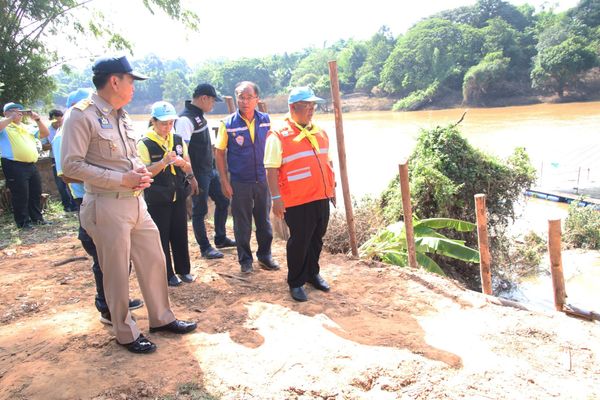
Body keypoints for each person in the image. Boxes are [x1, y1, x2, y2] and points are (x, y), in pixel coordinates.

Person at [61, 55, 196, 354]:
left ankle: (161, 318)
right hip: (106, 204)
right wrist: (121, 179)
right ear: (114, 81)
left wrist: (140, 175)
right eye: (131, 80)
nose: (134, 87)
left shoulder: (121, 115)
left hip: (136, 203)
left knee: (154, 259)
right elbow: (70, 167)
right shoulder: (80, 115)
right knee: (117, 271)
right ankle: (125, 332)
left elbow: (130, 159)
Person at [53, 87, 143, 325]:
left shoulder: (114, 120)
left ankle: (116, 301)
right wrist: (116, 176)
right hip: (92, 199)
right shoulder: (70, 130)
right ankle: (107, 306)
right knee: (103, 259)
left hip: (117, 198)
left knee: (118, 259)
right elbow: (67, 173)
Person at [264, 87, 336, 302]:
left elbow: (328, 163)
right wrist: (276, 199)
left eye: (313, 105)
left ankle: (312, 273)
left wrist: (332, 190)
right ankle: (295, 281)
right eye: (306, 106)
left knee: (317, 238)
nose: (311, 110)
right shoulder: (278, 135)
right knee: (300, 241)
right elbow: (270, 169)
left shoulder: (320, 132)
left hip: (320, 196)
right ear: (292, 108)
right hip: (297, 199)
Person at [215, 81, 279, 273]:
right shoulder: (227, 124)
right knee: (241, 223)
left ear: (257, 99)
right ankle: (245, 260)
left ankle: (265, 256)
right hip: (240, 182)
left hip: (262, 179)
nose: (244, 101)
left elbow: (273, 149)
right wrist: (225, 181)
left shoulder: (266, 120)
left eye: (249, 97)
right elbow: (219, 153)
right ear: (236, 99)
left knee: (264, 221)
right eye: (241, 97)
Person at [138, 101, 198, 287]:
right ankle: (167, 274)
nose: (167, 127)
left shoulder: (177, 140)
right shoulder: (145, 143)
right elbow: (144, 172)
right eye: (163, 123)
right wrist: (163, 162)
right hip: (157, 198)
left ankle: (184, 270)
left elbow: (188, 165)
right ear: (153, 122)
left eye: (171, 123)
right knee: (161, 237)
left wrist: (184, 166)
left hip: (178, 194)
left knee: (180, 234)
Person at [175, 83, 235, 259]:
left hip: (210, 170)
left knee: (223, 201)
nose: (213, 105)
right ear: (203, 98)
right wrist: (190, 176)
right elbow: (183, 151)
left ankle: (220, 238)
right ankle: (205, 247)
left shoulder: (198, 116)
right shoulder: (185, 120)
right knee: (199, 210)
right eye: (212, 101)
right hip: (198, 173)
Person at [0, 102, 51, 229]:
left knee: (35, 192)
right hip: (13, 164)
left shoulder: (26, 126)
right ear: (5, 113)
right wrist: (11, 118)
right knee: (20, 194)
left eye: (20, 111)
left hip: (30, 165)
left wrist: (38, 120)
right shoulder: (5, 125)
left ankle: (37, 218)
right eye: (13, 110)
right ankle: (23, 222)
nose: (18, 113)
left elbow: (45, 134)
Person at [46, 109, 77, 212]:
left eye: (60, 121)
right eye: (56, 122)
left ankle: (75, 204)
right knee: (61, 184)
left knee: (73, 182)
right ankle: (66, 205)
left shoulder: (68, 128)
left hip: (68, 158)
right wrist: (56, 143)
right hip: (55, 159)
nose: (58, 123)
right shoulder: (47, 131)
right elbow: (43, 146)